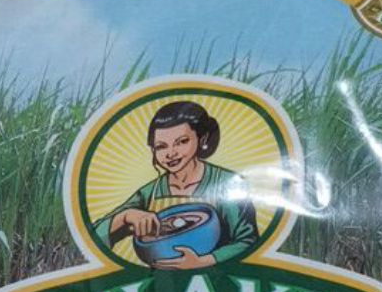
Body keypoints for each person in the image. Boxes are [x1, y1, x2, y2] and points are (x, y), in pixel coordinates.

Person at [93, 100, 259, 268]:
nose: (170, 153)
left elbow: (248, 241)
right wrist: (127, 216)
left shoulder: (227, 183)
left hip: (216, 277)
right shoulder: (150, 192)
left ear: (202, 139)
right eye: (161, 147)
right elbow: (92, 237)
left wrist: (203, 262)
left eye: (181, 142)